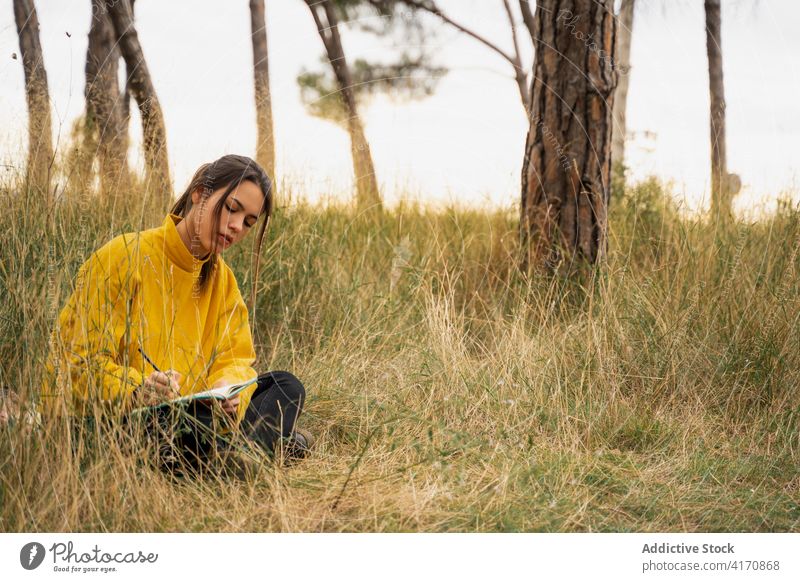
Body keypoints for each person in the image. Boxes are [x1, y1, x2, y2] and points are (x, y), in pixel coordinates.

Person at [37, 154, 312, 477]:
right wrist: (137, 388)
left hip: (197, 414)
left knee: (285, 385)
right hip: (130, 421)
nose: (237, 226)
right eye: (232, 208)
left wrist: (229, 387)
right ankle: (264, 448)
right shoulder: (123, 256)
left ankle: (239, 455)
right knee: (175, 423)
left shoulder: (223, 281)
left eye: (249, 222)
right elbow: (73, 365)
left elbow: (237, 359)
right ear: (199, 193)